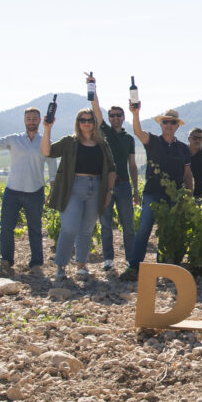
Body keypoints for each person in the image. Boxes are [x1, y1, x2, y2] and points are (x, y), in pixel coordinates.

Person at [0, 106, 57, 275]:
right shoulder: (13, 140)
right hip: (12, 191)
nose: (31, 121)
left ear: (40, 120)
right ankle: (6, 260)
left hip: (35, 191)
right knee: (6, 227)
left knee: (35, 229)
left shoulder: (45, 142)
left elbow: (53, 165)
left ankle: (36, 263)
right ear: (24, 120)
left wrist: (53, 187)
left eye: (34, 119)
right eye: (28, 118)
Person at [41, 107, 116, 280]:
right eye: (83, 120)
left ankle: (81, 265)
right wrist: (47, 129)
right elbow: (47, 152)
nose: (87, 123)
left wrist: (109, 191)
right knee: (69, 228)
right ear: (78, 123)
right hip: (73, 187)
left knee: (87, 229)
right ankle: (61, 266)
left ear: (94, 123)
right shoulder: (69, 141)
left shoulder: (102, 144)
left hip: (96, 187)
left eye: (90, 120)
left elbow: (112, 169)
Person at [121, 104, 193, 281]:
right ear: (161, 124)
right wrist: (135, 114)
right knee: (144, 229)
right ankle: (134, 267)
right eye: (166, 122)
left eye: (172, 123)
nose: (169, 125)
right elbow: (138, 132)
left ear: (177, 126)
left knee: (166, 231)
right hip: (152, 194)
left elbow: (187, 174)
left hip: (173, 197)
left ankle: (163, 268)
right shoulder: (152, 141)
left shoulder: (183, 149)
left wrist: (189, 196)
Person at [90, 96, 138, 271]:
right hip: (105, 186)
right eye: (112, 115)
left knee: (128, 226)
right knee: (105, 224)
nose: (115, 118)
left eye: (118, 115)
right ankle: (108, 259)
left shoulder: (129, 139)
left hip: (124, 185)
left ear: (123, 117)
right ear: (109, 118)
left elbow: (132, 165)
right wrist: (93, 90)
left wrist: (136, 189)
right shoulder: (104, 132)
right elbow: (96, 110)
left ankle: (131, 259)